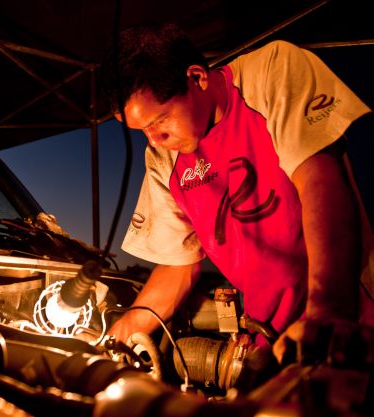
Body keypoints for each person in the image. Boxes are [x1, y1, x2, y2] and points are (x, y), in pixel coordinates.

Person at [100, 23, 374, 363]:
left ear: (197, 77)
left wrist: (328, 311)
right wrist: (111, 340)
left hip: (349, 319)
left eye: (160, 121)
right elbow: (178, 267)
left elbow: (321, 182)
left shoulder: (272, 71)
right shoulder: (162, 155)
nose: (154, 140)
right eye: (142, 131)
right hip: (270, 336)